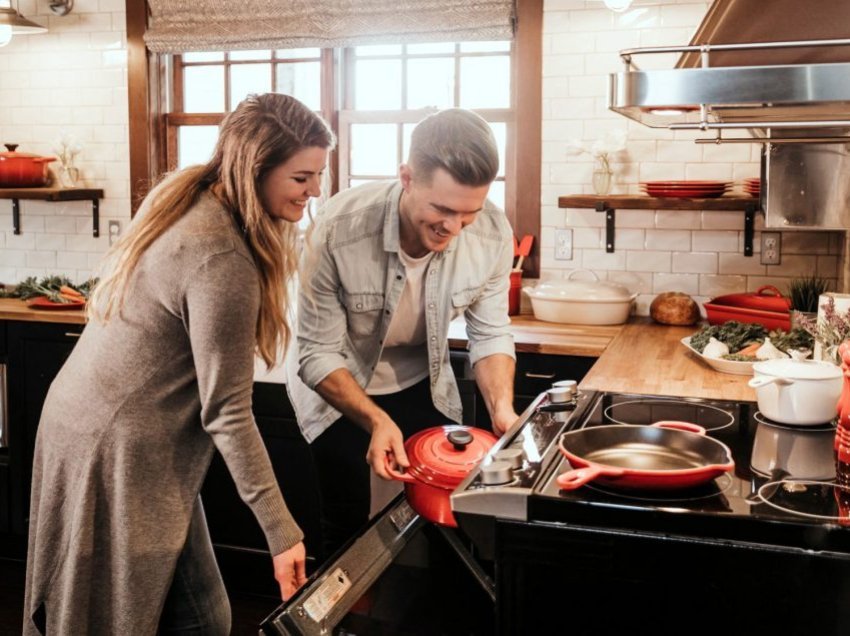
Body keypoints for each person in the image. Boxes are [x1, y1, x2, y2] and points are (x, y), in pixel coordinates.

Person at [23, 93, 335, 635]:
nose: (314, 191)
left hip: (89, 424)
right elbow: (229, 414)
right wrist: (284, 533)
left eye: (318, 176)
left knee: (195, 611)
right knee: (180, 618)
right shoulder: (221, 257)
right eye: (302, 177)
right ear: (253, 168)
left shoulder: (188, 195)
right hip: (120, 447)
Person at [286, 108, 518, 558]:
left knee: (450, 524)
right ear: (407, 177)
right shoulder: (338, 228)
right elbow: (316, 352)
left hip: (424, 381)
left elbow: (489, 333)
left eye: (468, 213)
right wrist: (375, 420)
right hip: (340, 386)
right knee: (348, 529)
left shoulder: (491, 231)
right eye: (442, 209)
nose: (453, 228)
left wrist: (502, 409)